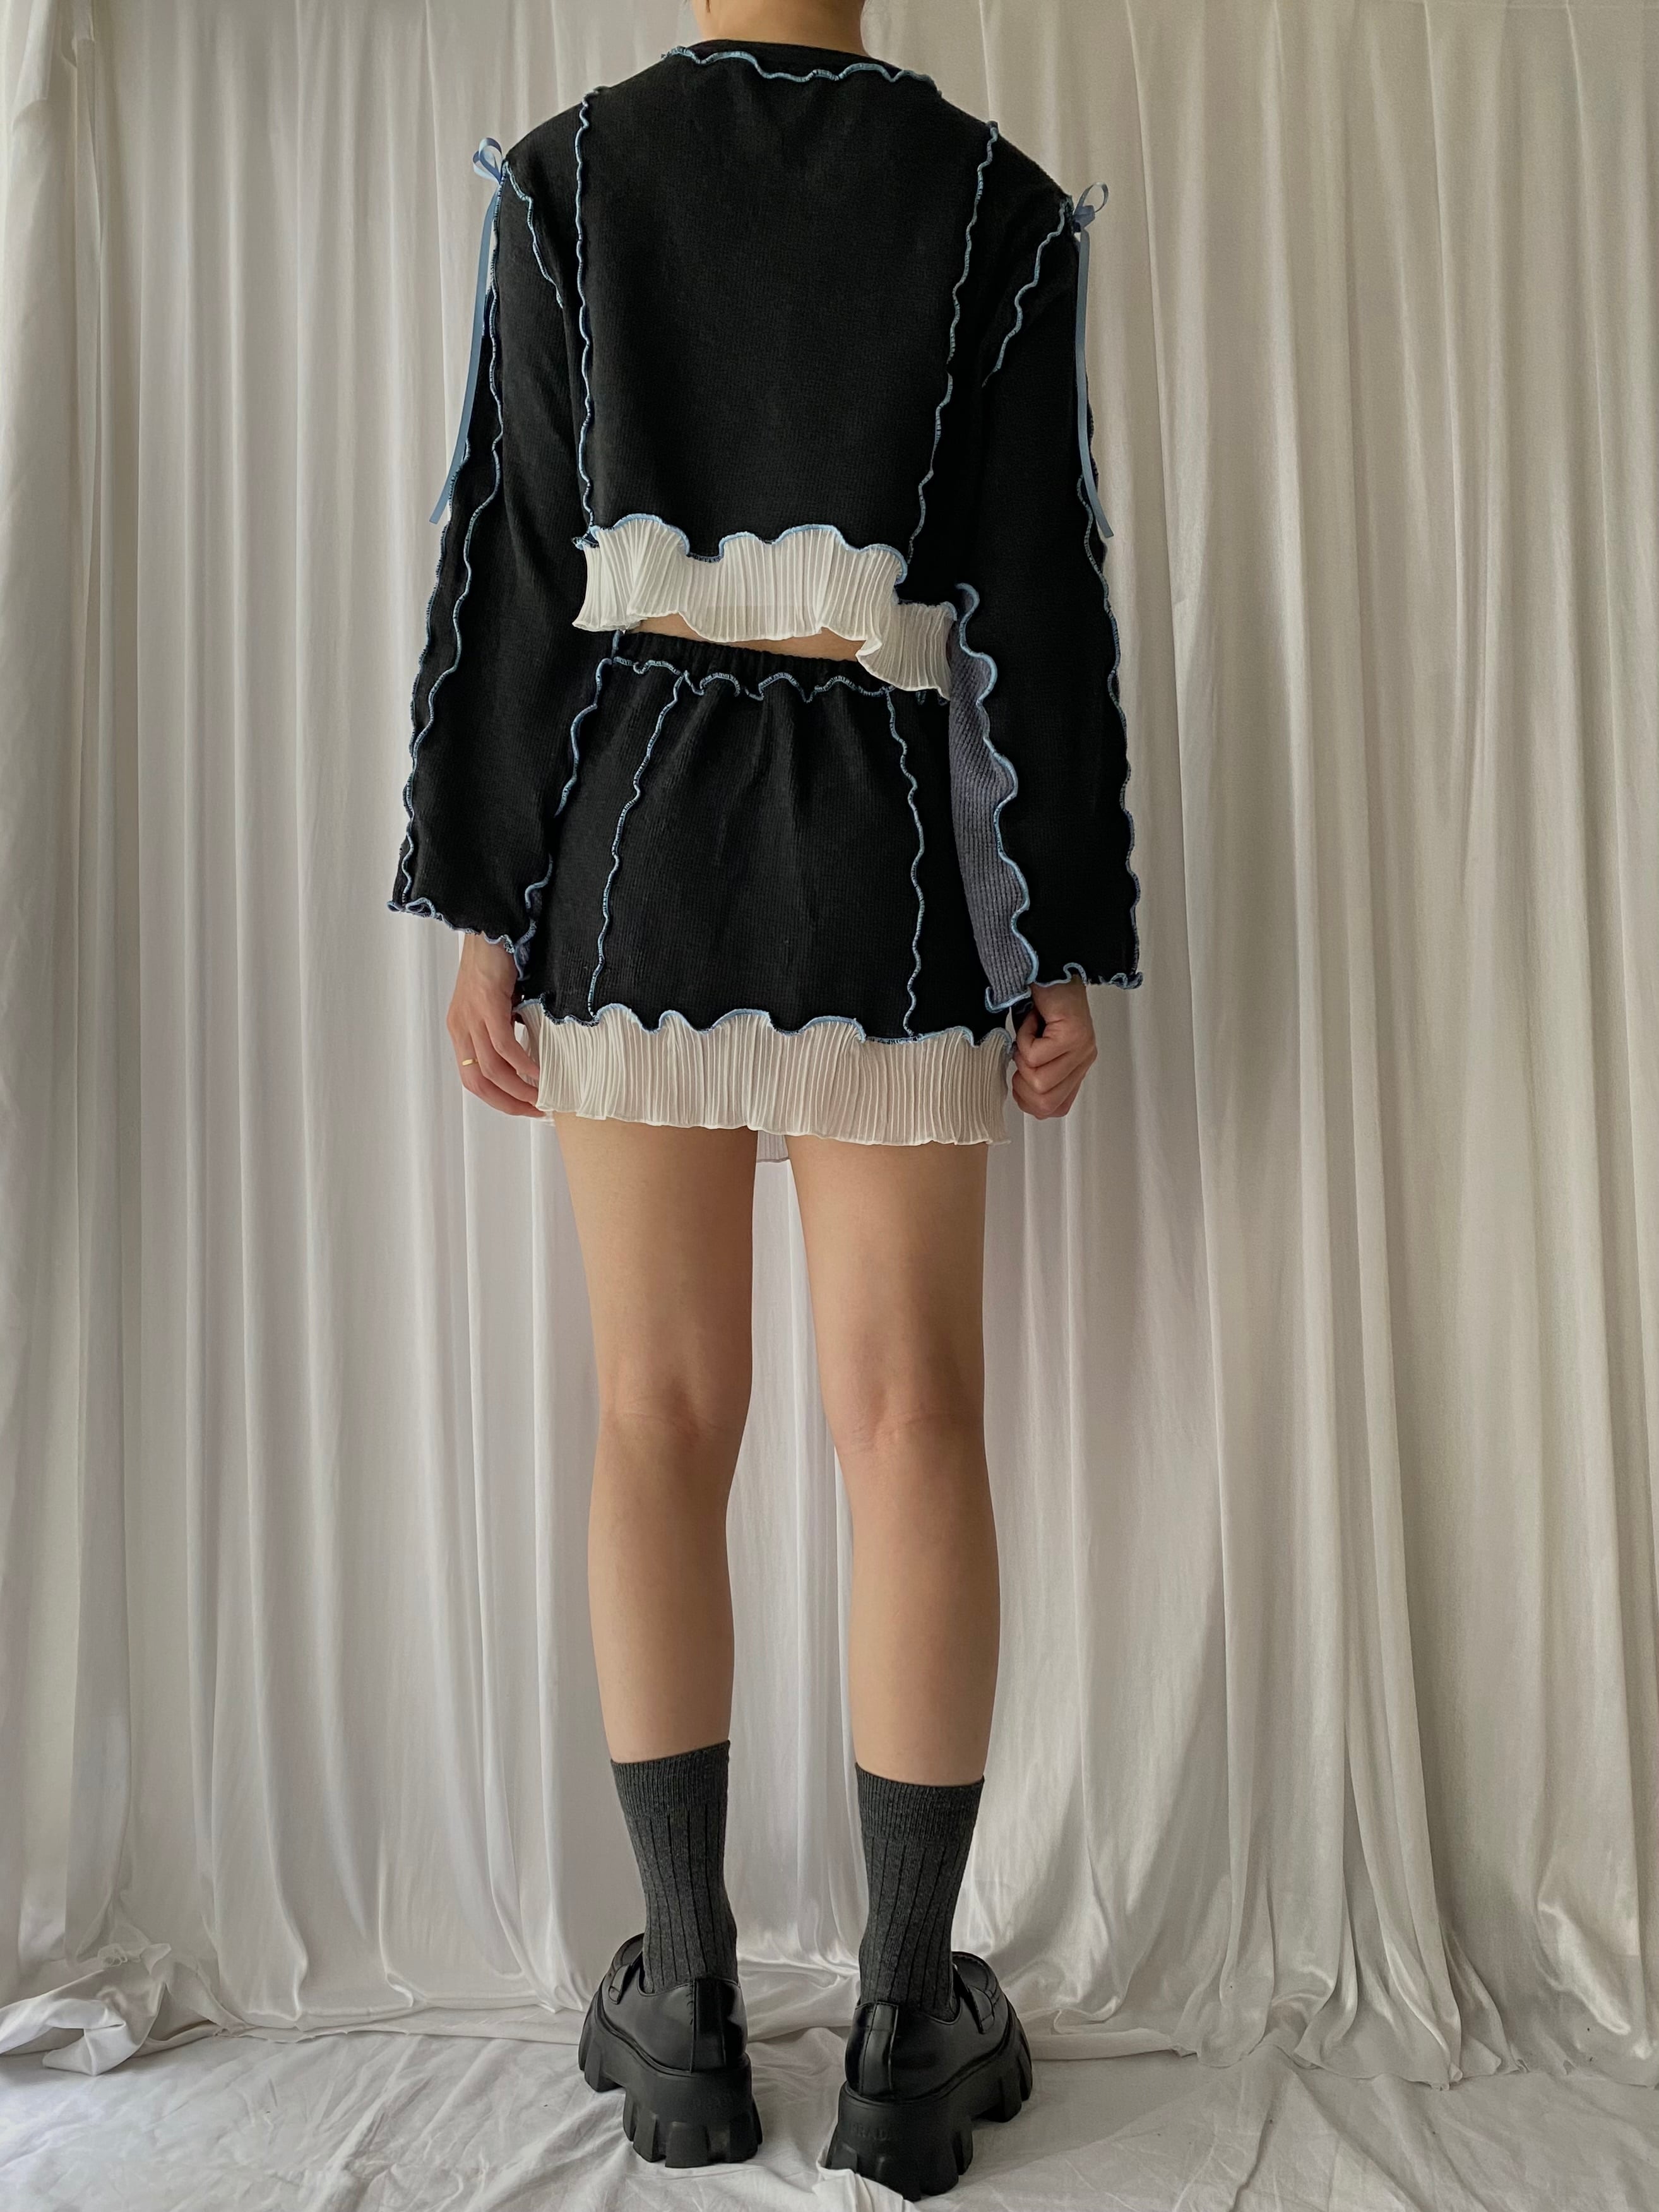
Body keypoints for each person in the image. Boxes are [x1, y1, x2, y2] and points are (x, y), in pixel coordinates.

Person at [389, 0, 1141, 2195]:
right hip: (884, 854)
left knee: (656, 1415)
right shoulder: (988, 199)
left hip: (631, 845)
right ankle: (905, 2028)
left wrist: (484, 904)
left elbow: (511, 555)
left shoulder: (568, 178)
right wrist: (1056, 930)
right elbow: (1038, 598)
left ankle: (691, 2013)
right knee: (910, 1420)